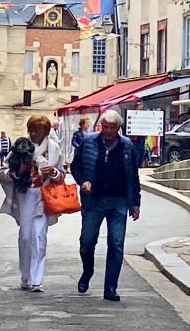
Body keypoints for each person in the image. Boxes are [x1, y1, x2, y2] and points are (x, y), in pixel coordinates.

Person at [71, 109, 141, 302]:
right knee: (86, 242)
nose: (108, 131)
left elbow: (133, 176)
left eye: (112, 128)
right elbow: (75, 166)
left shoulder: (127, 146)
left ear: (119, 128)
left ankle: (110, 287)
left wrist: (135, 202)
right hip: (94, 200)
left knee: (116, 244)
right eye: (105, 127)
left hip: (119, 201)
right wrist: (83, 181)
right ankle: (88, 271)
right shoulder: (88, 142)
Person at [0, 115, 64, 292]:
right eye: (31, 130)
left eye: (38, 130)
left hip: (45, 195)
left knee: (40, 236)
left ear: (46, 132)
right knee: (26, 236)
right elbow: (3, 172)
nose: (33, 134)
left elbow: (62, 174)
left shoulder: (54, 149)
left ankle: (37, 279)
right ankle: (25, 275)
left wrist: (55, 172)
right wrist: (19, 172)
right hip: (25, 194)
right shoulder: (20, 147)